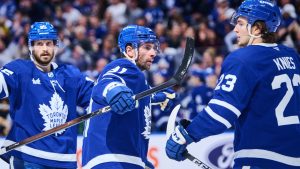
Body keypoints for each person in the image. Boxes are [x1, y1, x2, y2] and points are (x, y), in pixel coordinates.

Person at [165, 0, 300, 169]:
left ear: (257, 28)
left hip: (259, 158)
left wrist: (185, 135)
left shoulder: (243, 58)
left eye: (241, 24)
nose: (235, 29)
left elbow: (222, 113)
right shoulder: (292, 56)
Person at [0, 22, 94, 168]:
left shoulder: (70, 74)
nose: (44, 49)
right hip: (28, 158)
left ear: (55, 46)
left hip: (65, 161)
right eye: (39, 44)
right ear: (31, 46)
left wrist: (113, 90)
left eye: (48, 43)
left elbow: (97, 95)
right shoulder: (19, 70)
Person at [82, 25, 176, 169]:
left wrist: (158, 96)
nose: (153, 53)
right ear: (130, 50)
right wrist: (114, 91)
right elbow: (107, 83)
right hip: (111, 159)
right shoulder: (125, 65)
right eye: (147, 47)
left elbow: (138, 96)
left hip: (121, 159)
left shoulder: (136, 80)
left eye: (154, 48)